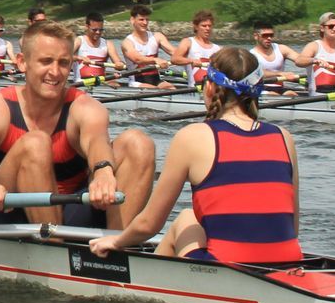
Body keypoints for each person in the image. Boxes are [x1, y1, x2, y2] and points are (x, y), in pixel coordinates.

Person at [88, 48, 303, 264]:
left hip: (227, 268)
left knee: (186, 218)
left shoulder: (192, 136)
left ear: (209, 87)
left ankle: (141, 280)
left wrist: (116, 241)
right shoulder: (284, 137)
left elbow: (148, 225)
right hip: (289, 262)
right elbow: (292, 228)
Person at [0, 20, 156, 229]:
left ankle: (116, 241)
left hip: (69, 211)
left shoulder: (85, 107)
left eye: (63, 63)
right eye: (46, 61)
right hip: (9, 213)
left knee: (138, 143)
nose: (55, 72)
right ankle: (54, 243)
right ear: (22, 62)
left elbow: (96, 142)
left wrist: (103, 172)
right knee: (35, 142)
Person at [120, 4, 177, 87]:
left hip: (156, 80)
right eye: (141, 19)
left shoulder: (157, 36)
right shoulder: (127, 42)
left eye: (147, 19)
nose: (145, 23)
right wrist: (155, 60)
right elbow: (137, 59)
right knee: (155, 91)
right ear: (132, 20)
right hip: (137, 82)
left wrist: (189, 57)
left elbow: (174, 52)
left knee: (171, 88)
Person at [171, 10, 223, 85]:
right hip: (194, 89)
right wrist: (191, 61)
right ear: (196, 27)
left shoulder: (218, 49)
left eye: (209, 26)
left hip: (212, 88)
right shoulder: (188, 42)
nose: (207, 28)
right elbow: (174, 59)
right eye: (204, 26)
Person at [248, 24, 304, 92]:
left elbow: (300, 59)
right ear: (256, 36)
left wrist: (313, 61)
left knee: (291, 93)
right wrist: (280, 73)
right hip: (260, 88)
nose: (269, 38)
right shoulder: (251, 55)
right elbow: (257, 73)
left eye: (271, 35)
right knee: (275, 94)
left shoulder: (282, 49)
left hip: (279, 88)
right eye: (265, 35)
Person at [74, 13, 124, 81]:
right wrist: (79, 58)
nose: (98, 32)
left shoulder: (108, 44)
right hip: (81, 83)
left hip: (100, 82)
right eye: (94, 30)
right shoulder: (79, 41)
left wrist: (120, 64)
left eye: (101, 30)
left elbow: (118, 62)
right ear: (87, 27)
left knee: (114, 83)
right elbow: (64, 57)